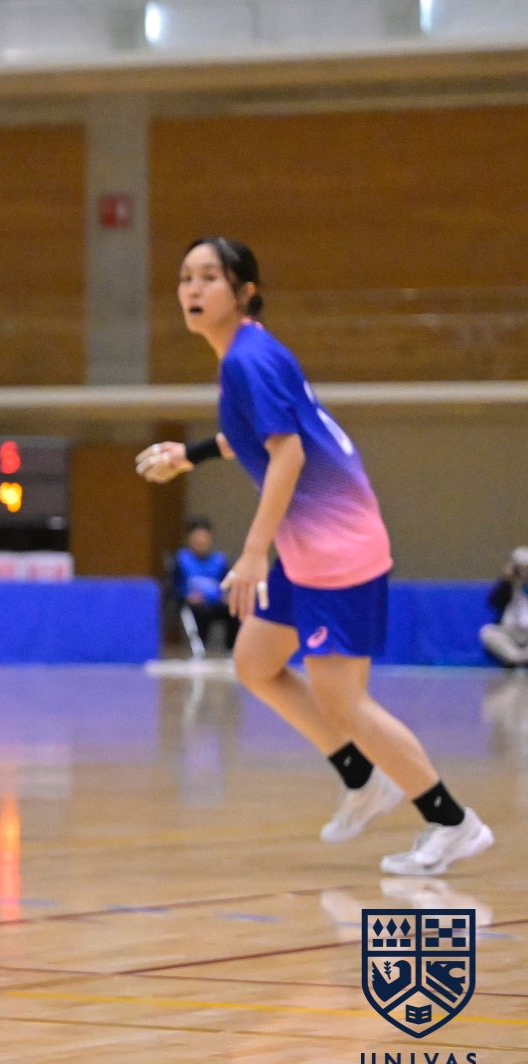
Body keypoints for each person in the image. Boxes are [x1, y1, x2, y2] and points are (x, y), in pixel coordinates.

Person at [136, 237, 494, 874]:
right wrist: (189, 455)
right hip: (310, 549)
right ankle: (362, 779)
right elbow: (254, 432)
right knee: (255, 662)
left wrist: (253, 553)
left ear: (244, 291)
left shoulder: (248, 359)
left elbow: (289, 453)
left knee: (342, 701)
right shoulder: (248, 353)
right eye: (186, 276)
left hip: (337, 550)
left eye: (210, 277)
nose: (192, 288)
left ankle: (451, 821)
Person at [171, 518, 234, 656]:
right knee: (200, 614)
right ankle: (199, 653)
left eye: (204, 536)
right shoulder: (181, 559)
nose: (201, 540)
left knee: (234, 612)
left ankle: (231, 652)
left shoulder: (219, 560)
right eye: (197, 536)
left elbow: (227, 584)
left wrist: (227, 596)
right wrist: (186, 596)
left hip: (217, 603)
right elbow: (174, 587)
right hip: (194, 605)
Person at [484, 548, 528, 669]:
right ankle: (518, 659)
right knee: (488, 632)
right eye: (521, 568)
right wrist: (507, 580)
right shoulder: (508, 585)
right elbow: (493, 602)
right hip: (511, 630)